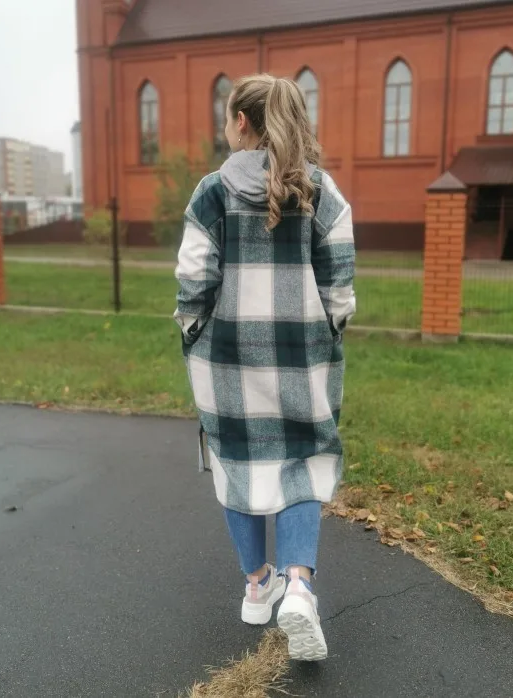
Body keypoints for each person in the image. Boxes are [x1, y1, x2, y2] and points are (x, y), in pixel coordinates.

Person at [174, 74, 356, 662]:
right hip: (303, 359)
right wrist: (327, 335)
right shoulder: (323, 193)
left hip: (225, 360)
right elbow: (340, 292)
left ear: (242, 123)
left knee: (237, 460)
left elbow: (193, 280)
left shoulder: (212, 192)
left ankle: (258, 585)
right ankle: (299, 586)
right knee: (303, 458)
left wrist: (193, 334)